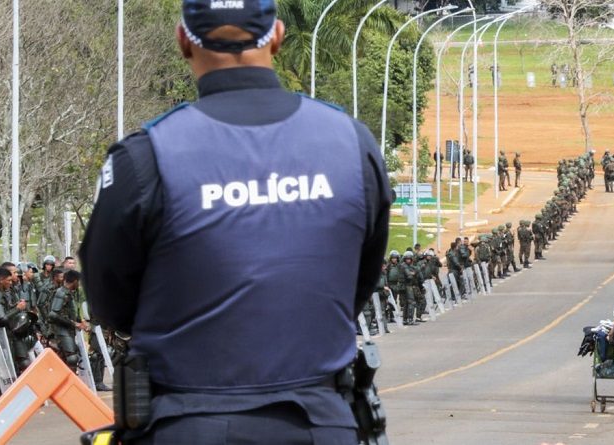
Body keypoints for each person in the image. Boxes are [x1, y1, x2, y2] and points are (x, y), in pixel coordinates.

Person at [80, 1, 391, 442]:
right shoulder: (351, 143)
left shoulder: (145, 158)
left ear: (183, 40)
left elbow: (110, 301)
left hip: (188, 423)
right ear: (278, 36)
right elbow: (359, 279)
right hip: (322, 422)